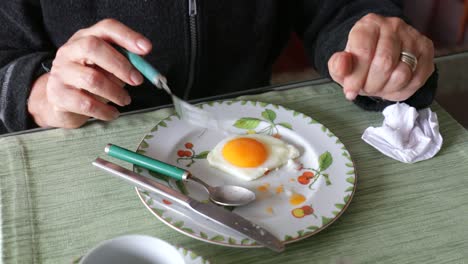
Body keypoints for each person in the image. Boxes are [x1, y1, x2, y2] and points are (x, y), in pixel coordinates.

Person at [0, 1, 437, 134]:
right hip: (85, 147)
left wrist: (379, 54)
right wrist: (35, 93)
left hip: (248, 143)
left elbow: (341, 10)